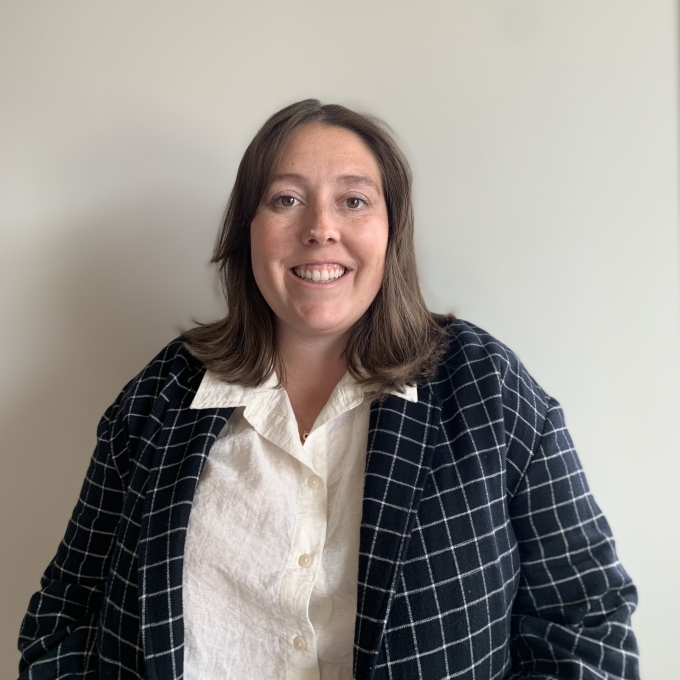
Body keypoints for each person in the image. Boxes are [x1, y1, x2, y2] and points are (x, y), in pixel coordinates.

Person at [17, 99, 639, 680]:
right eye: (286, 200)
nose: (320, 228)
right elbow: (65, 616)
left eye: (354, 201)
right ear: (247, 232)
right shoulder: (159, 397)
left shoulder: (487, 389)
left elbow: (587, 616)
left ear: (391, 231)